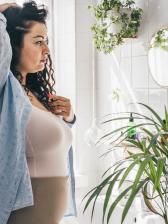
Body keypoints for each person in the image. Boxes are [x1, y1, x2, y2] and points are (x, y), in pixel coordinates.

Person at [0, 2, 76, 224]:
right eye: (38, 42)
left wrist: (68, 117)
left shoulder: (34, 94)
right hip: (24, 214)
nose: (47, 50)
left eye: (47, 41)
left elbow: (45, 143)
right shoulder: (7, 90)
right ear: (12, 44)